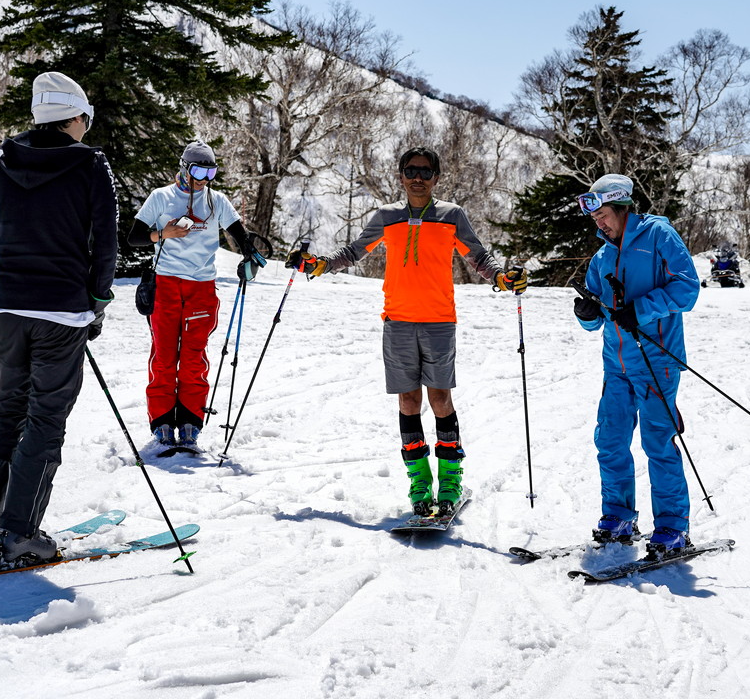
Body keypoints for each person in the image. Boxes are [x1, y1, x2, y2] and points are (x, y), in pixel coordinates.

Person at [287, 146, 526, 516]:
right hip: (397, 322)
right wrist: (321, 265)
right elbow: (354, 251)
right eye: (411, 170)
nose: (418, 177)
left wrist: (501, 277)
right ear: (400, 176)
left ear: (436, 177)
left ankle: (450, 481)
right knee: (407, 402)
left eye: (425, 172)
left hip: (439, 321)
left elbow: (477, 255)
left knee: (441, 401)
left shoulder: (451, 215)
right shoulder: (387, 216)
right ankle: (420, 482)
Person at [0, 72, 118, 565]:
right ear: (73, 117)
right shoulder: (91, 164)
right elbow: (106, 240)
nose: (86, 129)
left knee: (8, 409)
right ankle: (20, 533)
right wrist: (96, 300)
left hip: (8, 308)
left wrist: (0, 290)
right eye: (85, 120)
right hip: (61, 311)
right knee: (45, 419)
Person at [571, 174, 699, 554]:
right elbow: (595, 322)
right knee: (609, 440)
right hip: (616, 365)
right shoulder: (601, 257)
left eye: (604, 215)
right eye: (595, 219)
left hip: (657, 359)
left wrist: (640, 310)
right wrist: (586, 313)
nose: (600, 224)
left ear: (623, 207)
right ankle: (619, 514)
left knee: (657, 442)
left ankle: (674, 526)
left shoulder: (659, 237)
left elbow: (687, 289)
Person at [127, 140, 266, 450]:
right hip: (165, 284)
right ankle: (162, 420)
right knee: (164, 357)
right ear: (184, 167)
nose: (204, 178)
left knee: (192, 358)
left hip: (201, 288)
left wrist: (249, 257)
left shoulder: (217, 201)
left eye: (211, 171)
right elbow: (134, 237)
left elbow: (241, 237)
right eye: (199, 170)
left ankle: (190, 419)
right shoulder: (161, 197)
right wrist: (164, 233)